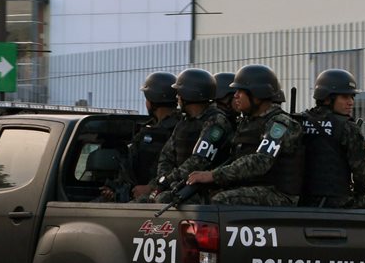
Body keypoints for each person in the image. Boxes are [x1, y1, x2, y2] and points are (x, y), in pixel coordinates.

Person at [186, 64, 303, 206]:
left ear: (257, 95)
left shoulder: (280, 123)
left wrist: (213, 175)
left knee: (221, 200)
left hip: (278, 194)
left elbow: (260, 162)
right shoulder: (247, 122)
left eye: (241, 91)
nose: (235, 96)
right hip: (250, 188)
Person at [298, 68, 365, 211]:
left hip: (302, 202)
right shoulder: (348, 128)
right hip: (338, 203)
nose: (350, 102)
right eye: (344, 97)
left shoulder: (299, 121)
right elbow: (361, 177)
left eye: (352, 97)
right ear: (327, 98)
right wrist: (358, 194)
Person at [145, 69, 236, 203]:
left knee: (162, 200)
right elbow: (166, 155)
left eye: (179, 93)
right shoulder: (184, 122)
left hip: (203, 189)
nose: (177, 98)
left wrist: (169, 180)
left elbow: (199, 161)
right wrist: (164, 180)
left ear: (188, 95)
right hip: (178, 185)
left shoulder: (216, 121)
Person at [99, 71, 180, 201]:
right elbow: (129, 166)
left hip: (161, 198)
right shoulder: (147, 130)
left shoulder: (180, 129)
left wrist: (151, 187)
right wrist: (114, 188)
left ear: (151, 100)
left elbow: (180, 168)